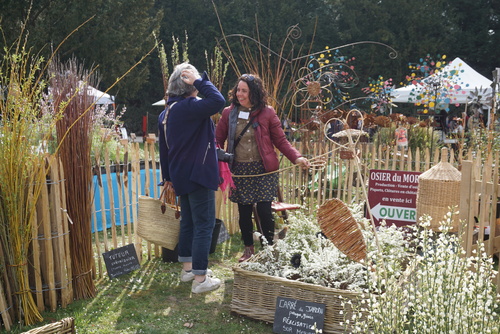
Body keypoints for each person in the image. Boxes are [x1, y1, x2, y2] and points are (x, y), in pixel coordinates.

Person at [215, 74, 310, 262]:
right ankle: (248, 248)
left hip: (264, 169)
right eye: (238, 90)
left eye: (244, 91)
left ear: (255, 93)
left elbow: (281, 141)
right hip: (240, 170)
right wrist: (218, 156)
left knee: (265, 210)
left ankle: (268, 248)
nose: (239, 94)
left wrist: (297, 157)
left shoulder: (268, 113)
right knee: (244, 212)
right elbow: (217, 139)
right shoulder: (228, 113)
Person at [158, 63, 225, 293]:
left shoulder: (166, 112)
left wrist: (167, 176)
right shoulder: (190, 106)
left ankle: (188, 269)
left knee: (188, 222)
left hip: (180, 175)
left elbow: (163, 150)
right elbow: (218, 101)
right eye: (194, 80)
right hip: (199, 173)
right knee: (204, 224)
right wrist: (198, 80)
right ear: (187, 83)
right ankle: (200, 279)